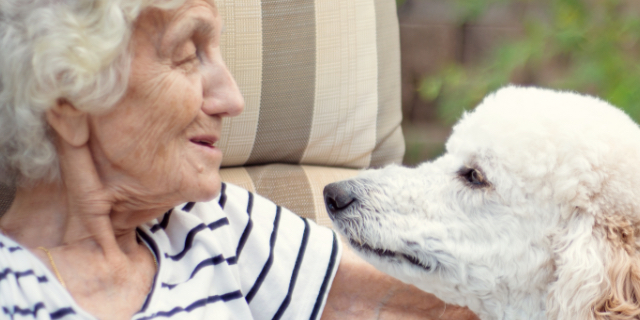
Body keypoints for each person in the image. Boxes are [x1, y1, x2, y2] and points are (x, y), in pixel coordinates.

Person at [0, 0, 477, 319]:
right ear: (68, 96)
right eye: (188, 54)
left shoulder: (213, 222)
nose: (232, 98)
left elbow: (435, 306)